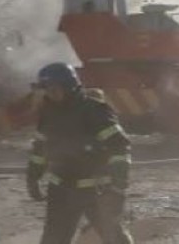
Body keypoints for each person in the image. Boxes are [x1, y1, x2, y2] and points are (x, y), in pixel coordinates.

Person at [26, 63, 133, 244]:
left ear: (69, 86)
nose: (50, 94)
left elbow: (119, 146)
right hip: (60, 190)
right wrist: (33, 177)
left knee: (114, 238)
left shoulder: (94, 110)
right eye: (47, 90)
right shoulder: (48, 113)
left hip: (96, 190)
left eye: (54, 89)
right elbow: (40, 149)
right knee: (53, 240)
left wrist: (118, 186)